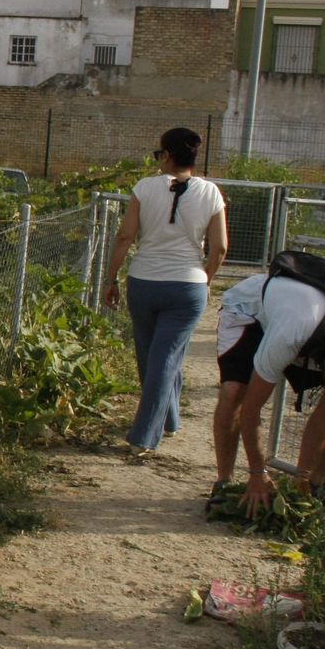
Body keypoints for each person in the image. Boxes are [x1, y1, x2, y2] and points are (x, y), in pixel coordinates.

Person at [208, 269, 325, 515]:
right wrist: (257, 473)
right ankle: (223, 482)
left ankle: (318, 481)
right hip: (249, 312)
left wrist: (300, 478)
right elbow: (251, 411)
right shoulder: (289, 336)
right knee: (234, 392)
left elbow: (324, 418)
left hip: (309, 328)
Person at [102, 127, 229, 456]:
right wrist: (207, 279)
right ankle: (165, 421)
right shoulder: (211, 193)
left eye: (159, 154)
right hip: (187, 286)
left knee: (151, 357)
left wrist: (111, 278)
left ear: (168, 155)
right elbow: (220, 248)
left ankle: (146, 434)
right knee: (164, 357)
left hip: (144, 282)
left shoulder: (144, 188)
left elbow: (125, 237)